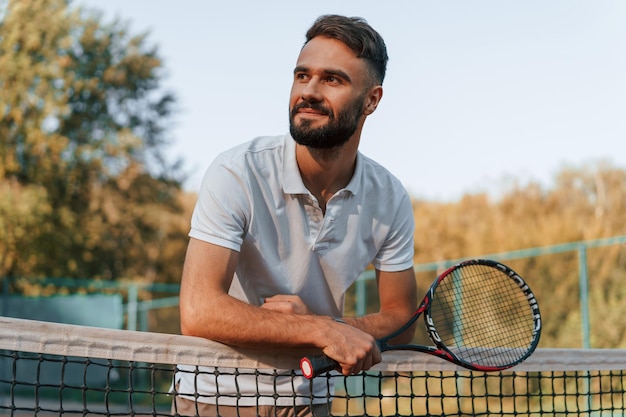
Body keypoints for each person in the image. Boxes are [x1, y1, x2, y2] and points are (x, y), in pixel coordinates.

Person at [173, 14, 418, 417]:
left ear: (372, 100)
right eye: (302, 76)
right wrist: (321, 329)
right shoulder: (236, 171)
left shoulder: (390, 198)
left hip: (311, 397)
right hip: (215, 395)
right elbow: (198, 310)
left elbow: (401, 316)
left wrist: (328, 327)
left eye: (332, 80)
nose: (309, 91)